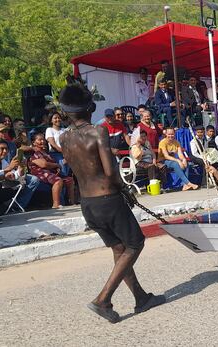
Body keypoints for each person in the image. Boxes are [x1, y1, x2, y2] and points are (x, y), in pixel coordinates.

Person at [58, 83, 166, 323]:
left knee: (119, 249)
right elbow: (110, 171)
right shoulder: (97, 132)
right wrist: (126, 190)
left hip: (87, 204)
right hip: (108, 199)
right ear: (90, 108)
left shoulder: (63, 137)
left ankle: (141, 297)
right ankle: (103, 299)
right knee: (135, 244)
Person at [29, 133, 75, 208]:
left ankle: (71, 203)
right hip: (40, 174)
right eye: (40, 140)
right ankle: (56, 204)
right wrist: (57, 165)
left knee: (70, 180)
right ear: (34, 142)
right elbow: (44, 164)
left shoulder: (45, 153)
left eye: (43, 139)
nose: (42, 141)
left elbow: (50, 164)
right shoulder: (33, 153)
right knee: (58, 180)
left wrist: (56, 167)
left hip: (50, 173)